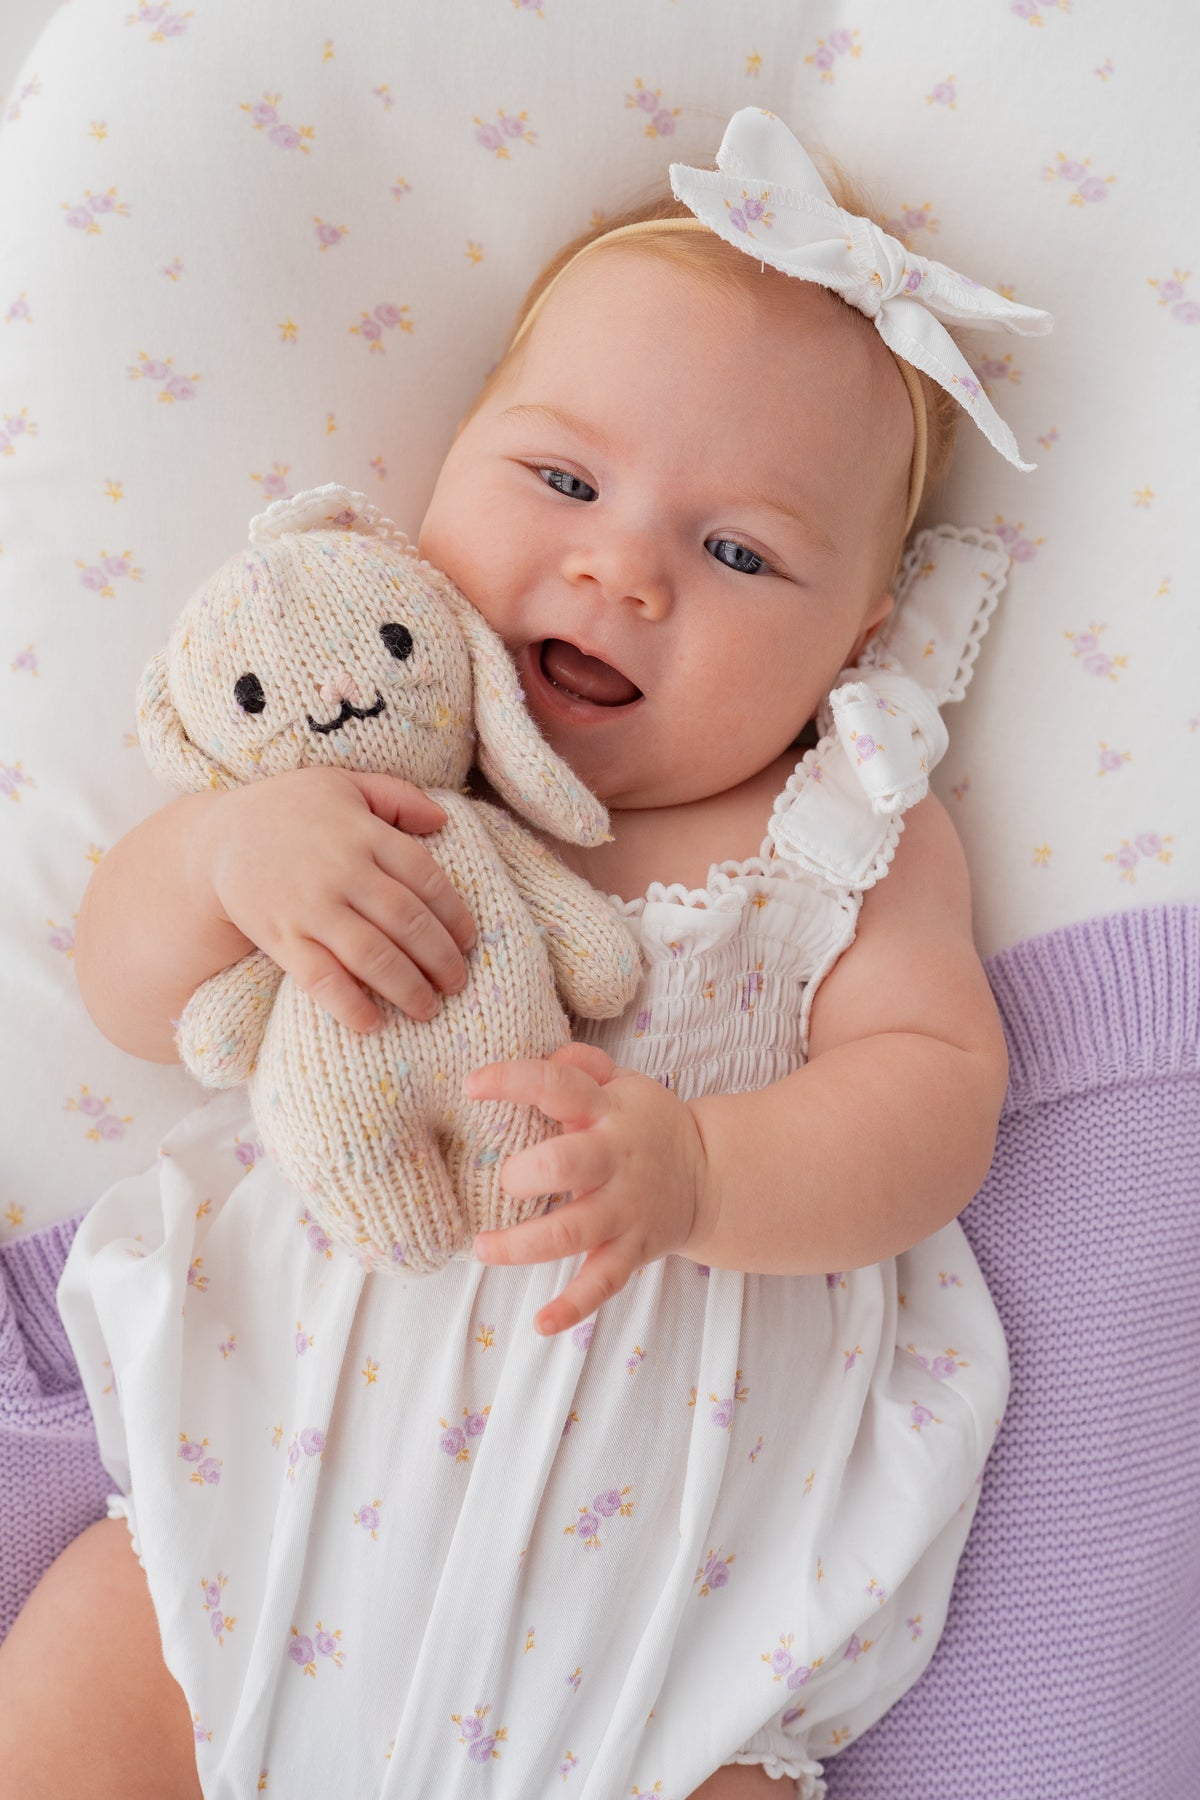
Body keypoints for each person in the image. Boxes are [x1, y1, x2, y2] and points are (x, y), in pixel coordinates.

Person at [0, 108, 1049, 1799]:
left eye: (738, 552)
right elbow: (127, 989)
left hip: (648, 1674)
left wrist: (710, 1172)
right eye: (563, 480)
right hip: (247, 1543)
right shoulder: (372, 755)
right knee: (65, 1715)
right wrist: (228, 856)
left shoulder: (840, 832)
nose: (619, 568)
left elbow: (935, 1102)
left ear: (856, 640)